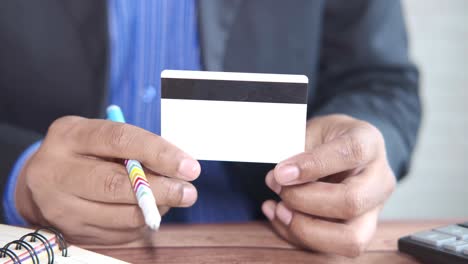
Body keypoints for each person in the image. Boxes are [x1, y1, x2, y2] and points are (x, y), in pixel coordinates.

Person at [0, 0, 420, 257]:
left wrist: (356, 150)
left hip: (274, 240)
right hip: (50, 246)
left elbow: (381, 83)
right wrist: (18, 174)